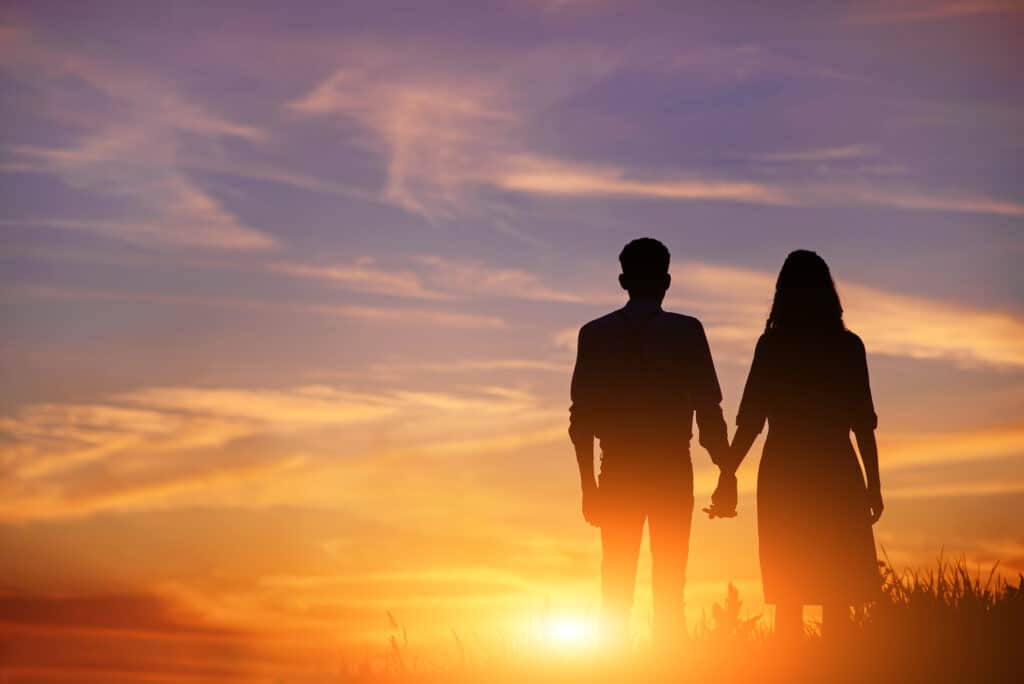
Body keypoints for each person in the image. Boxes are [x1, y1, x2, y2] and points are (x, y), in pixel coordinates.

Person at [568, 237, 732, 646]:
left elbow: (581, 421)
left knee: (616, 584)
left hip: (618, 471)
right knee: (670, 584)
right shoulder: (687, 332)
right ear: (667, 281)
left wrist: (589, 487)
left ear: (623, 280)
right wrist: (725, 471)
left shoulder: (595, 334)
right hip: (671, 470)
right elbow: (709, 411)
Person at [718, 249, 883, 639]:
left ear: (782, 294)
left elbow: (750, 421)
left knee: (789, 586)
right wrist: (873, 484)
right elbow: (863, 424)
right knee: (837, 588)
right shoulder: (847, 347)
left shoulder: (772, 347)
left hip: (785, 472)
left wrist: (727, 472)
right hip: (835, 470)